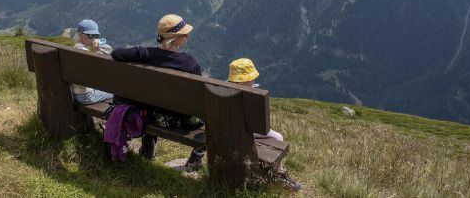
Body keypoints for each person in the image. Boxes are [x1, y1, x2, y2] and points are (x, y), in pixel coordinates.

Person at [111, 14, 205, 172]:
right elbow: (198, 96)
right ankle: (195, 159)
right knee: (211, 120)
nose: (187, 35)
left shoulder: (145, 54)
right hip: (179, 120)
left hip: (151, 115)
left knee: (154, 100)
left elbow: (116, 54)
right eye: (184, 33)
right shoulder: (190, 63)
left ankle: (147, 152)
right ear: (174, 38)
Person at [227, 58, 301, 191]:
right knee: (278, 138)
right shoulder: (254, 96)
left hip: (226, 130)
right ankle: (279, 174)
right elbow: (262, 128)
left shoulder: (222, 89)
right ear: (249, 79)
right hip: (246, 132)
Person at [70, 19, 114, 105]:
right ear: (80, 34)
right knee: (117, 92)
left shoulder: (75, 50)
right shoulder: (85, 54)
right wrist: (98, 50)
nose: (93, 39)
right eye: (90, 35)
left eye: (96, 36)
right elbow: (101, 69)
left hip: (75, 93)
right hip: (87, 96)